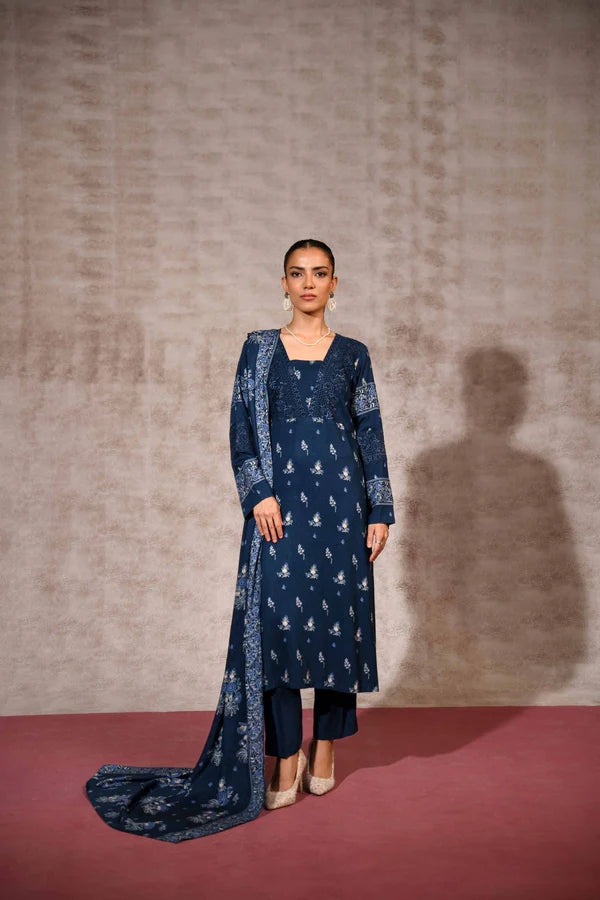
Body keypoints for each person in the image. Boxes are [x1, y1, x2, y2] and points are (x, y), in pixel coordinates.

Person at [85, 239, 394, 841]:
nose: (309, 283)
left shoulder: (354, 355)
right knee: (279, 634)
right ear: (284, 283)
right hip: (280, 511)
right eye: (298, 274)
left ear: (335, 284)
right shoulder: (259, 349)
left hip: (342, 509)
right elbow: (240, 428)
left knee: (336, 627)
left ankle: (325, 749)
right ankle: (284, 755)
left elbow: (370, 431)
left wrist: (379, 509)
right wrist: (258, 495)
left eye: (320, 274)